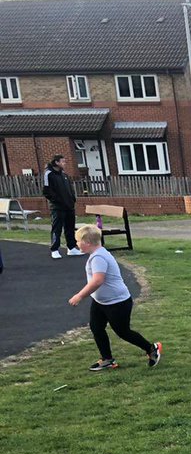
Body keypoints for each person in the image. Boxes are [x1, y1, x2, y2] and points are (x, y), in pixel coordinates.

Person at [68, 225, 161, 371]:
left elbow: (98, 280)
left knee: (123, 332)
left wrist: (80, 295)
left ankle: (151, 348)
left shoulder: (98, 257)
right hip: (100, 302)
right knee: (96, 327)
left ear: (87, 242)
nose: (76, 244)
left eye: (78, 241)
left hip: (117, 302)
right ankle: (107, 359)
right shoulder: (98, 253)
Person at [42, 155, 80, 260]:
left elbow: (70, 188)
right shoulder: (48, 174)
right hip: (57, 207)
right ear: (56, 162)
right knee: (57, 228)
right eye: (63, 161)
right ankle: (54, 249)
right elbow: (46, 191)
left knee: (70, 227)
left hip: (69, 206)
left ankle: (71, 247)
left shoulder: (64, 174)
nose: (65, 163)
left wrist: (72, 199)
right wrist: (57, 201)